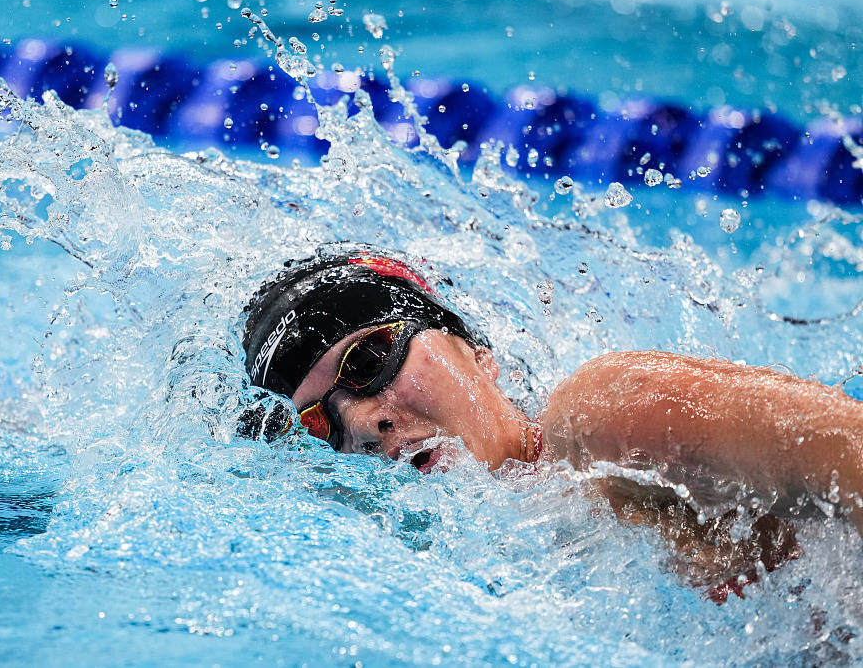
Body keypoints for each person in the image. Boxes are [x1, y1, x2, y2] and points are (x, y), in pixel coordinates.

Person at [240, 247, 863, 600]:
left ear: (474, 352)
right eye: (324, 422)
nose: (366, 423)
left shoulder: (603, 420)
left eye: (368, 361)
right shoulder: (478, 574)